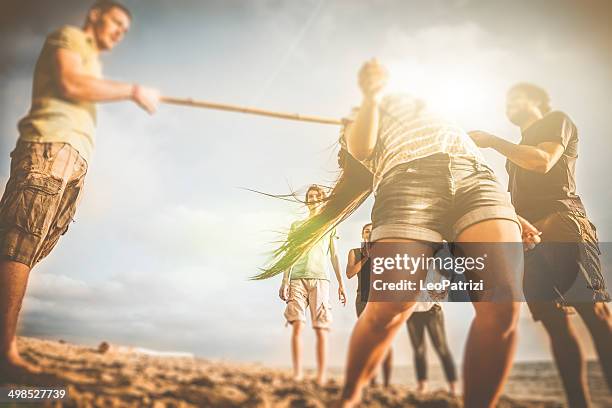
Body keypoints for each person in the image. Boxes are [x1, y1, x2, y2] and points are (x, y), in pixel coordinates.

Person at [256, 59, 539, 407]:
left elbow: (462, 150)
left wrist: (511, 213)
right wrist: (370, 97)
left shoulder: (438, 111)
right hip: (408, 181)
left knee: (504, 304)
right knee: (391, 308)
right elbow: (360, 148)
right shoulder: (364, 115)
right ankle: (349, 398)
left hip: (477, 180)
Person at [0, 1, 160, 382]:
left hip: (73, 159)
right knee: (17, 246)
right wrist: (132, 90)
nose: (120, 31)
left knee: (31, 250)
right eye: (116, 22)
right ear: (95, 15)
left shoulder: (93, 60)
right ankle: (5, 355)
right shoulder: (70, 38)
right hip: (49, 147)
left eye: (125, 28)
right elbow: (71, 82)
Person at [469, 83, 612, 407]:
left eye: (518, 97)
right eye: (507, 100)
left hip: (563, 222)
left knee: (595, 314)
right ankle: (579, 404)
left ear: (538, 101)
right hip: (530, 239)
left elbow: (543, 161)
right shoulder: (514, 151)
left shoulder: (555, 120)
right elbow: (516, 197)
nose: (511, 103)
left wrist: (492, 141)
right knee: (554, 324)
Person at [278, 185, 347, 385]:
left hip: (320, 280)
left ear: (322, 199)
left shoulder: (329, 224)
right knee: (297, 325)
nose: (313, 198)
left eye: (317, 195)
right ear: (307, 200)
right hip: (296, 279)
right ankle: (298, 373)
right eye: (310, 195)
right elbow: (290, 254)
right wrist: (284, 281)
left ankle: (321, 375)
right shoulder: (297, 225)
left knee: (321, 328)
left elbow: (334, 255)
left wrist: (341, 284)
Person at [345, 222, 392, 388]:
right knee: (367, 339)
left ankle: (386, 382)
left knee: (385, 338)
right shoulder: (355, 252)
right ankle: (371, 380)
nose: (369, 233)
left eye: (372, 231)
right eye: (366, 231)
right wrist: (366, 256)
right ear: (362, 234)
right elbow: (350, 273)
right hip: (363, 298)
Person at [406, 302, 457, 396]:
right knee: (418, 350)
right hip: (411, 311)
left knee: (442, 348)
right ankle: (422, 386)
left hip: (433, 309)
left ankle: (453, 387)